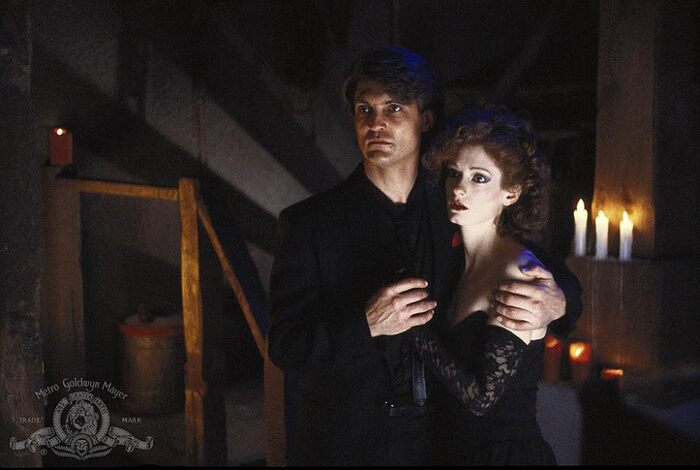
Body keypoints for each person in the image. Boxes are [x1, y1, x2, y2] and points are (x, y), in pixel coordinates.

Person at [267, 45, 581, 466]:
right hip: (348, 445)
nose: (375, 123)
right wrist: (366, 324)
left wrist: (557, 301)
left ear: (426, 119)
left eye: (393, 108)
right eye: (364, 110)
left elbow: (546, 273)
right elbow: (285, 347)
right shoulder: (309, 223)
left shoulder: (460, 206)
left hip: (437, 446)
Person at [415, 104, 562, 465]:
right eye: (454, 174)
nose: (459, 188)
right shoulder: (456, 262)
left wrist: (415, 331)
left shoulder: (518, 271)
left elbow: (482, 397)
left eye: (479, 178)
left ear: (510, 193)